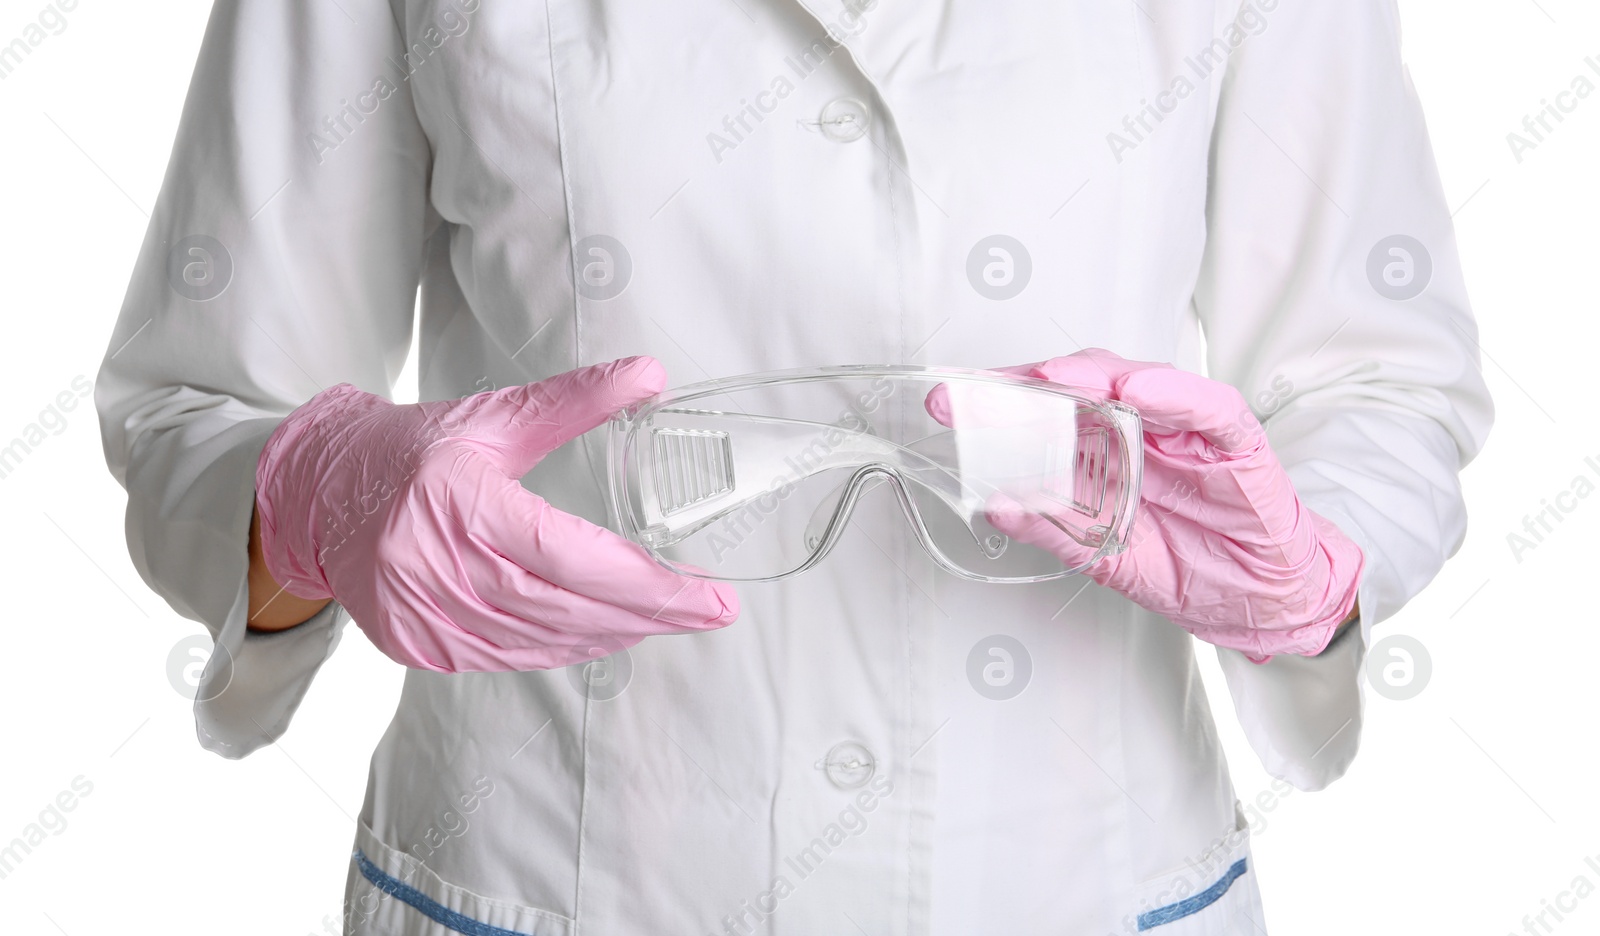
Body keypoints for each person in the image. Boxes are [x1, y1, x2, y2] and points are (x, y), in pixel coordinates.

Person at [95, 0, 1492, 933]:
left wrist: (1312, 569)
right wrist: (316, 504)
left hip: (1080, 879)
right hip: (545, 879)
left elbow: (1381, 374)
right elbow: (196, 403)